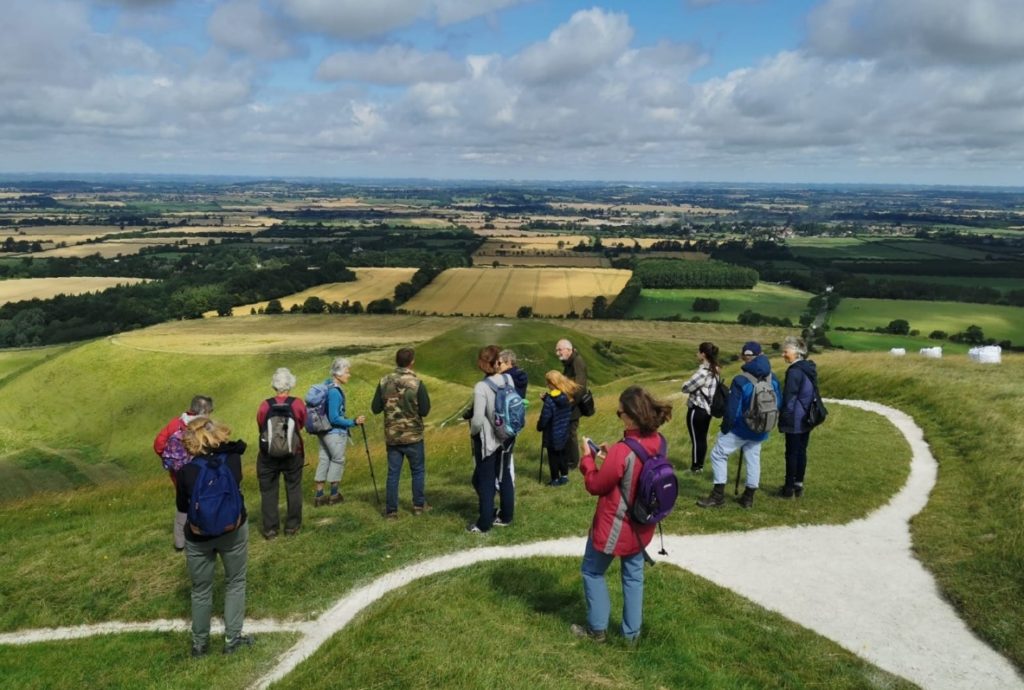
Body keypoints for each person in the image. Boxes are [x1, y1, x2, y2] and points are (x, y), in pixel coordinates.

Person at [573, 385, 673, 643]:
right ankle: (632, 635)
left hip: (615, 526)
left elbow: (596, 485)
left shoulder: (623, 450)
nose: (619, 417)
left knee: (592, 571)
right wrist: (610, 456)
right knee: (633, 577)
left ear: (630, 416)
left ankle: (597, 630)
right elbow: (638, 470)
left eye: (620, 414)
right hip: (642, 525)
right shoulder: (659, 441)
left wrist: (588, 460)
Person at [176, 417, 253, 657]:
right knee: (235, 582)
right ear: (216, 434)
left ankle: (200, 644)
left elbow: (182, 506)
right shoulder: (232, 460)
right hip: (233, 530)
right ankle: (232, 638)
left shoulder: (186, 472)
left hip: (198, 538)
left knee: (200, 589)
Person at [697, 341, 781, 510]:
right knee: (753, 458)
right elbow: (779, 403)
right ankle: (748, 497)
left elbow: (732, 410)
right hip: (762, 428)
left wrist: (725, 428)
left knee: (718, 454)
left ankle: (718, 496)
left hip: (741, 429)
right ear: (761, 355)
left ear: (744, 357)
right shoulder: (774, 378)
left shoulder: (741, 380)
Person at [371, 347, 431, 518]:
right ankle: (419, 506)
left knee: (393, 473)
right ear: (412, 362)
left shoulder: (384, 382)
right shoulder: (417, 383)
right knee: (417, 471)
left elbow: (375, 408)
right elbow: (425, 410)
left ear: (396, 361)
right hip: (413, 435)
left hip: (393, 437)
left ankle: (391, 511)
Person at [154, 395, 214, 551]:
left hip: (179, 473)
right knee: (202, 500)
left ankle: (180, 542)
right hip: (200, 470)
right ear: (205, 411)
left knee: (183, 504)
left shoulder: (175, 423)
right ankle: (203, 533)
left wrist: (172, 459)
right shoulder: (204, 425)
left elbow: (158, 444)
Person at [467, 345, 516, 532]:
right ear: (498, 361)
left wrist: (473, 431)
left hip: (489, 441)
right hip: (508, 436)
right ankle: (506, 516)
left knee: (486, 481)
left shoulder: (481, 387)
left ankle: (484, 523)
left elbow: (478, 419)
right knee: (504, 477)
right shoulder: (508, 378)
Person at [256, 368, 307, 538]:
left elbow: (261, 425)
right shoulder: (297, 403)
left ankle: (270, 529)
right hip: (293, 452)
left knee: (268, 490)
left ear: (274, 385)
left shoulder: (265, 404)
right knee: (293, 487)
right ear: (290, 384)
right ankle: (292, 526)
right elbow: (301, 423)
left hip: (268, 454)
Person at [313, 357, 366, 507]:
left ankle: (319, 496)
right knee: (337, 460)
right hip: (335, 433)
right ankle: (334, 495)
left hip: (323, 432)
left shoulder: (326, 386)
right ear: (338, 374)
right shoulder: (335, 392)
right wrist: (353, 422)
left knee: (324, 460)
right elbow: (335, 417)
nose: (349, 375)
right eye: (347, 372)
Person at [778, 336, 818, 498]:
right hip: (807, 417)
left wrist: (784, 418)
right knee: (801, 451)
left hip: (795, 418)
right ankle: (798, 484)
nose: (783, 355)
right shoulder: (808, 368)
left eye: (786, 351)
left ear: (796, 352)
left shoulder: (794, 371)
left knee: (792, 453)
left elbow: (789, 399)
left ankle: (788, 489)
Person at [681, 342, 721, 474]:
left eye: (699, 352)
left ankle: (695, 467)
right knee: (702, 438)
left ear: (703, 354)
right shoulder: (715, 370)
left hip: (697, 409)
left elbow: (686, 388)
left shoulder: (703, 372)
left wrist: (685, 383)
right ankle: (700, 466)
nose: (697, 354)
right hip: (707, 410)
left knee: (695, 439)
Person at [536, 370, 579, 486]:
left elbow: (545, 416)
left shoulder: (550, 400)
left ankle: (555, 479)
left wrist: (539, 426)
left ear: (552, 383)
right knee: (562, 455)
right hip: (564, 431)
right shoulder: (567, 396)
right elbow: (559, 407)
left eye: (547, 382)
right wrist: (546, 399)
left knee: (553, 457)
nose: (546, 385)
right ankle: (564, 476)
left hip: (552, 433)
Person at [556, 338, 588, 469]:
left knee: (571, 434)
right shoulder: (570, 362)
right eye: (556, 350)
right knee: (567, 433)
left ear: (569, 350)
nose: (557, 353)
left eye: (560, 350)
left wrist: (570, 404)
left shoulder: (577, 362)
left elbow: (580, 387)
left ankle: (573, 463)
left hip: (573, 406)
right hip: (570, 404)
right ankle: (568, 459)